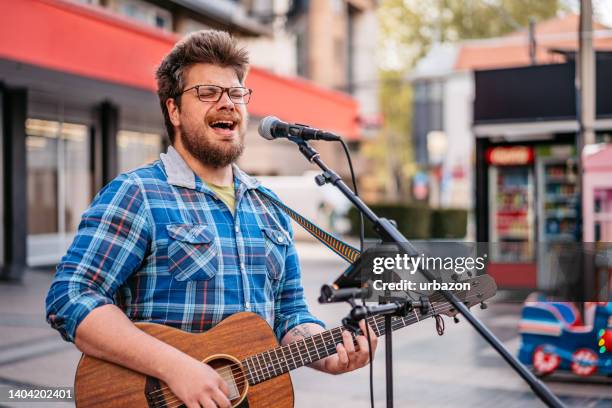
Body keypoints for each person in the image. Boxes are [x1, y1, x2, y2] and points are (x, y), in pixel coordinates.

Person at [45, 30, 377, 408]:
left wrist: (326, 352)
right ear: (173, 110)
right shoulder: (138, 194)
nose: (227, 103)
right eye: (207, 92)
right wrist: (176, 368)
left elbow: (289, 312)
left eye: (236, 93)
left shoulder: (269, 206)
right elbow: (70, 296)